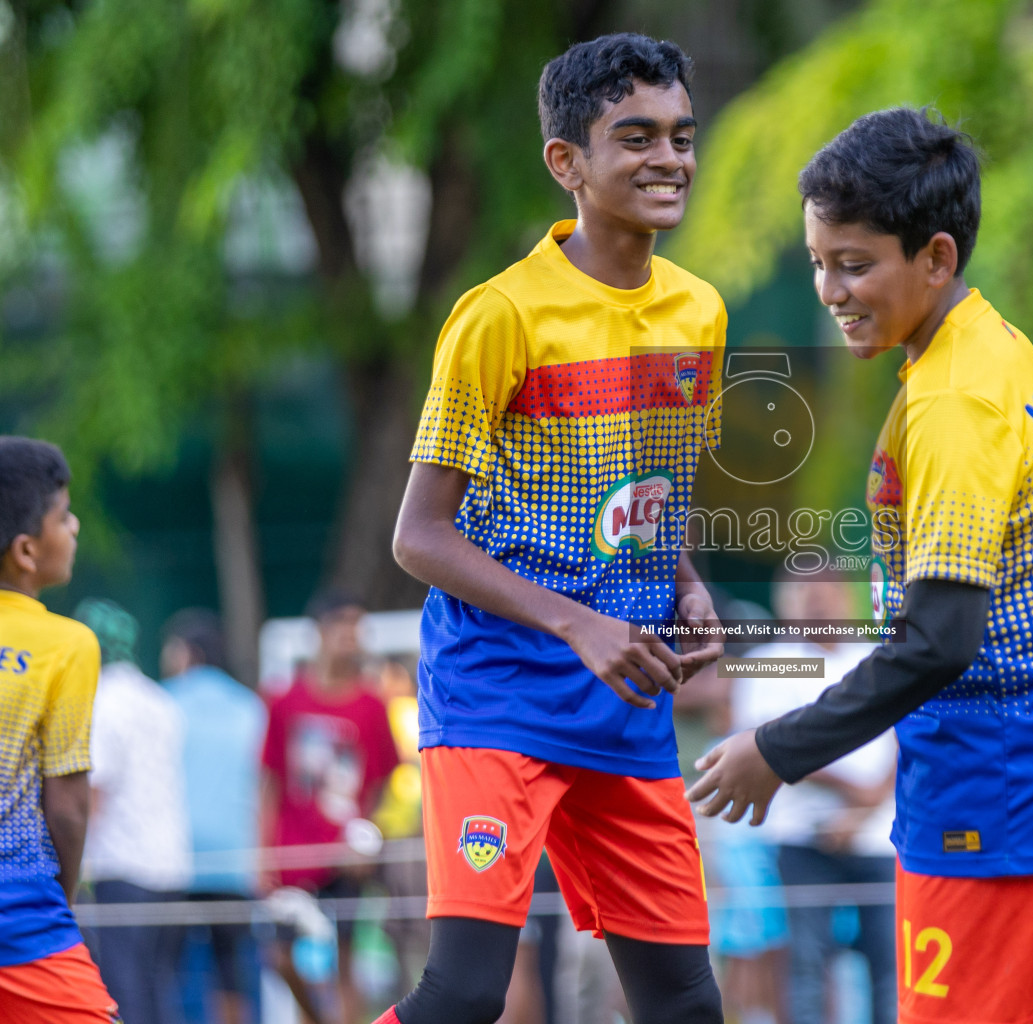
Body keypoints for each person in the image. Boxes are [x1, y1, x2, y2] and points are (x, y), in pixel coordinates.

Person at [686, 110, 1033, 1024]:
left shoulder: (953, 403)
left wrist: (777, 752)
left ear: (935, 258)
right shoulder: (994, 348)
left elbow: (938, 639)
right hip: (1030, 767)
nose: (829, 288)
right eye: (818, 261)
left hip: (998, 783)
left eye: (854, 263)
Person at [377, 32, 728, 1024]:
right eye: (637, 138)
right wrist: (578, 622)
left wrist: (686, 584)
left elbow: (661, 488)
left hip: (625, 705)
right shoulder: (499, 318)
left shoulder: (701, 311)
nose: (669, 159)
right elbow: (420, 537)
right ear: (566, 163)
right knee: (462, 996)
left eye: (681, 136)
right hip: (498, 693)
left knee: (685, 1007)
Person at [729, 571, 893, 1024]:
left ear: (846, 598)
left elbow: (910, 738)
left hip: (882, 834)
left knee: (891, 961)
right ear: (785, 602)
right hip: (802, 835)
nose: (817, 603)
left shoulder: (880, 657)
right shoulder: (768, 661)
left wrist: (868, 804)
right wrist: (857, 795)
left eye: (827, 593)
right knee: (804, 961)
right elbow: (763, 744)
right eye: (805, 593)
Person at [0, 436, 120, 1023]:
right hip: (19, 908)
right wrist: (60, 904)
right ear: (26, 550)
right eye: (62, 515)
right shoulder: (66, 644)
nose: (73, 527)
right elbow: (68, 804)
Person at [262, 591, 399, 1024]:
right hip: (292, 851)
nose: (352, 636)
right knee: (281, 957)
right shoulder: (284, 701)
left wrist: (367, 839)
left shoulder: (373, 705)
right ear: (320, 631)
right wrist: (263, 851)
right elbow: (268, 781)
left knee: (345, 958)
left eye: (359, 626)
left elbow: (381, 782)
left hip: (345, 856)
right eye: (344, 624)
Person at [78, 597, 193, 1024]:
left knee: (124, 990)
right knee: (161, 988)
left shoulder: (102, 701)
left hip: (121, 866)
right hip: (172, 865)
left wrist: (75, 864)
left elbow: (94, 791)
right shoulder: (160, 700)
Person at [162, 609, 267, 1024]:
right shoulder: (249, 706)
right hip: (236, 860)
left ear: (188, 653)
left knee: (167, 970)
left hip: (175, 859)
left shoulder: (163, 701)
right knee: (232, 969)